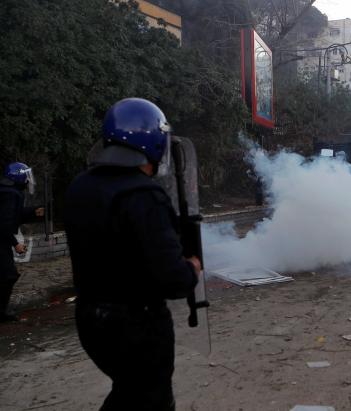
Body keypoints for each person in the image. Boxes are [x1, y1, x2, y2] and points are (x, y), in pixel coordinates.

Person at [64, 98, 200, 410]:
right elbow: (172, 279)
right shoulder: (142, 194)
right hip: (137, 325)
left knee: (129, 393)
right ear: (154, 141)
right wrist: (190, 269)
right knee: (150, 399)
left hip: (92, 321)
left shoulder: (80, 186)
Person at [0, 162, 44, 323]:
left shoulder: (7, 191)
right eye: (26, 176)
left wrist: (34, 212)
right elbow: (4, 222)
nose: (27, 180)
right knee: (8, 275)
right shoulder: (11, 194)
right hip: (2, 240)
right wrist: (15, 243)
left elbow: (13, 215)